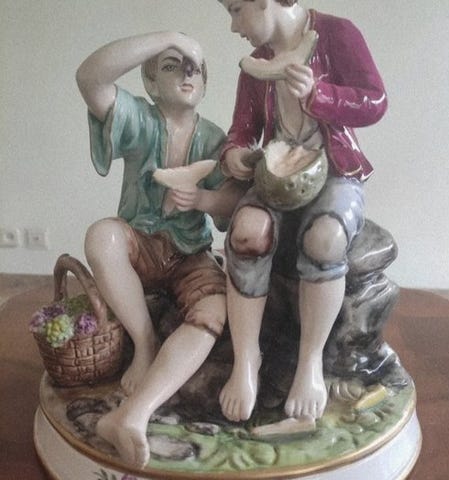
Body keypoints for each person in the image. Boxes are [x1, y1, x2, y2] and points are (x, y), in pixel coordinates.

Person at [76, 32, 242, 467]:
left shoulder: (214, 139)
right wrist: (170, 39)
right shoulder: (139, 119)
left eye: (195, 68)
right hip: (140, 244)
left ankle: (134, 413)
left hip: (191, 254)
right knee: (102, 235)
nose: (187, 73)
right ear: (150, 82)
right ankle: (145, 343)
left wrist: (203, 199)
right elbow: (90, 77)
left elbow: (232, 201)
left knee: (215, 310)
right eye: (172, 66)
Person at [217, 0, 388, 422]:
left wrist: (319, 94)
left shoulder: (337, 34)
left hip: (335, 171)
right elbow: (243, 129)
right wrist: (235, 153)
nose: (234, 26)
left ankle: (310, 361)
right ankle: (246, 360)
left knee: (325, 239)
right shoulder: (255, 65)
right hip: (275, 173)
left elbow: (375, 101)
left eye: (237, 9)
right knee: (247, 231)